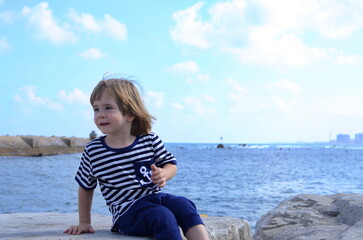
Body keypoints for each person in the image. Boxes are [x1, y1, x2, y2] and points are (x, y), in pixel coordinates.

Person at [64, 76, 209, 240]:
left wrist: (164, 174)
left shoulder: (149, 139)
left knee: (184, 204)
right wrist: (84, 222)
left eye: (108, 108)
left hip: (155, 198)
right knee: (163, 216)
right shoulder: (94, 150)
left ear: (130, 114)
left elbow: (171, 164)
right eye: (96, 109)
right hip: (126, 212)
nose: (100, 115)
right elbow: (85, 186)